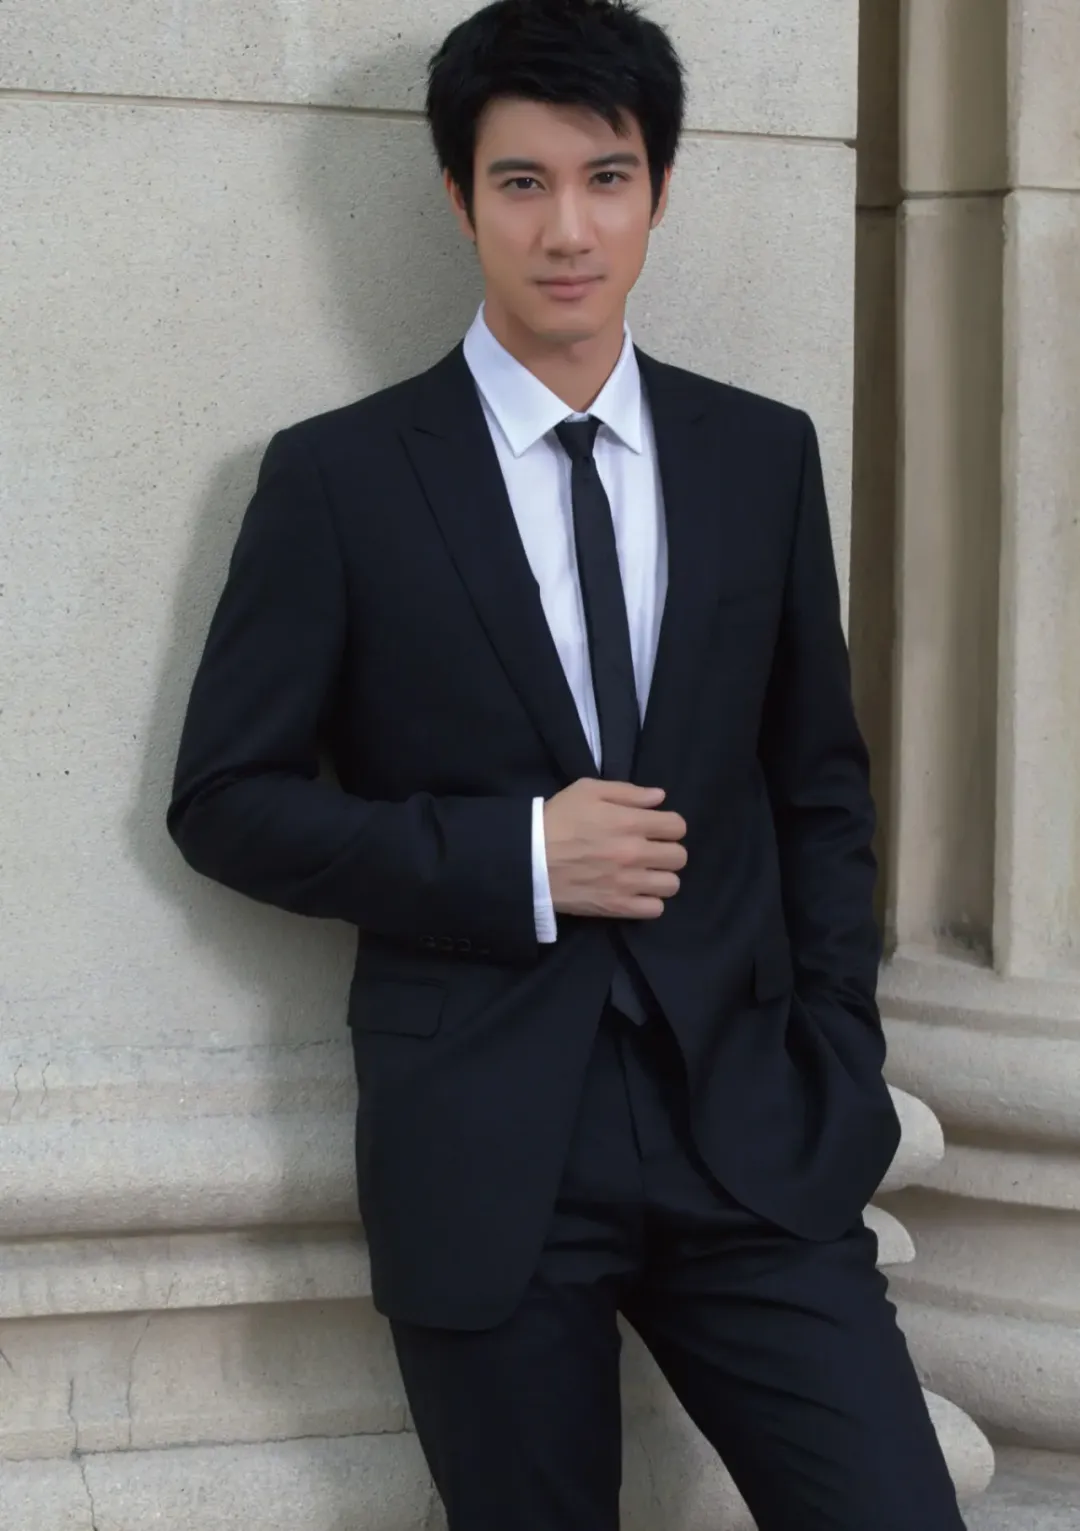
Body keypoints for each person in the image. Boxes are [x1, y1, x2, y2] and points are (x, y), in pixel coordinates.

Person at [168, 1, 966, 1525]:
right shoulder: (339, 478)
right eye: (521, 182)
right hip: (485, 1148)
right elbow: (224, 801)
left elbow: (819, 787)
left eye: (606, 178)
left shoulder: (761, 456)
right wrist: (518, 857)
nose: (567, 229)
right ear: (458, 196)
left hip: (751, 1138)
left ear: (658, 189)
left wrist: (837, 1056)